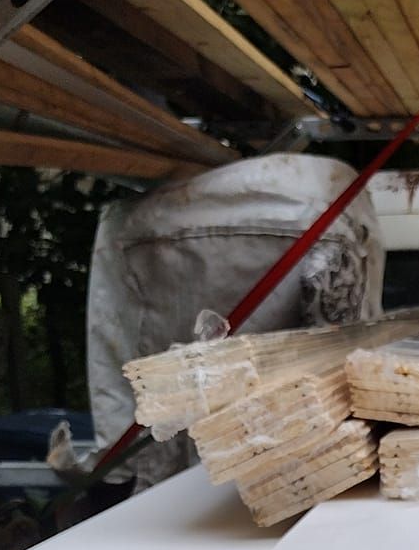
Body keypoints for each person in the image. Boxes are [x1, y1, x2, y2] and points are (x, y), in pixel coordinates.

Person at [84, 153, 386, 487]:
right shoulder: (327, 218)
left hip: (169, 466)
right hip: (283, 463)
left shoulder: (131, 232)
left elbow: (112, 353)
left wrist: (117, 464)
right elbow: (340, 360)